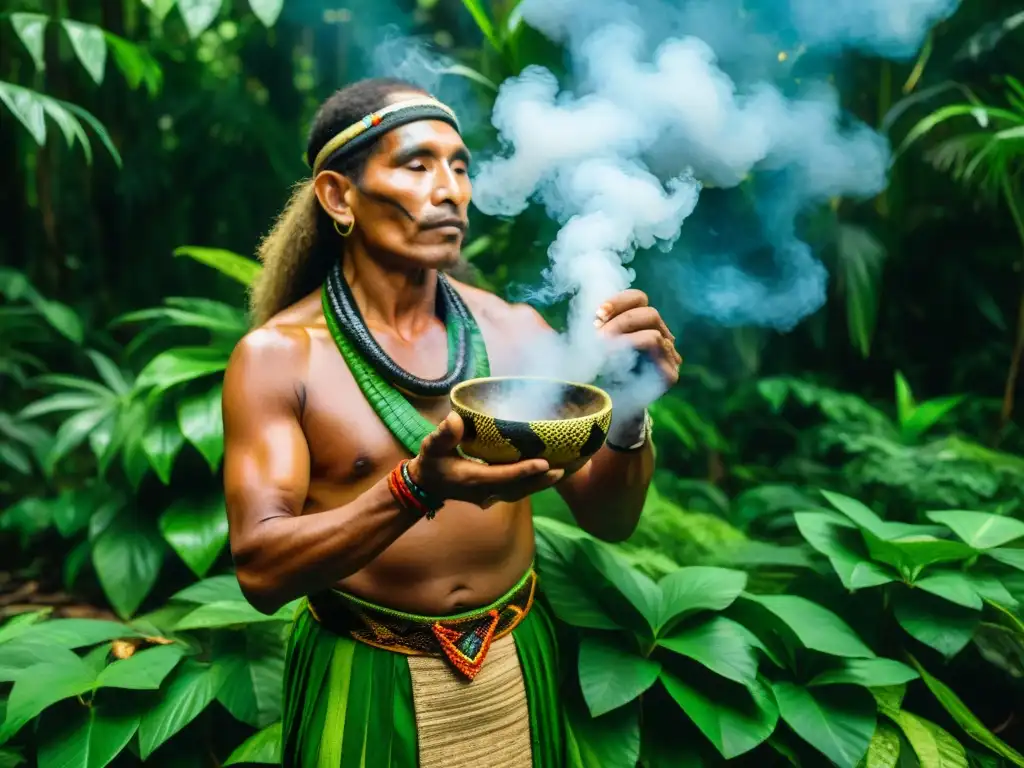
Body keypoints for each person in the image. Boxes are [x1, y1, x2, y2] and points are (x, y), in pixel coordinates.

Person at [222, 77, 681, 768]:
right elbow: (260, 572)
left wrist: (634, 404)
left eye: (461, 166)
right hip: (366, 677)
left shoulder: (513, 329)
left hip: (513, 668)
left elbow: (609, 517)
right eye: (418, 164)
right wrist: (413, 489)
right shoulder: (280, 358)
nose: (451, 190)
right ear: (338, 196)